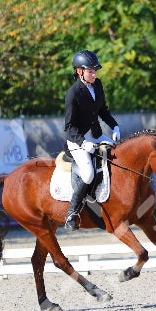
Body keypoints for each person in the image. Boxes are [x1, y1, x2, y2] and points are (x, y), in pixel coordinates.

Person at [63, 49, 121, 230]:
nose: (94, 74)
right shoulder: (73, 94)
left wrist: (114, 126)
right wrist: (82, 142)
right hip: (77, 140)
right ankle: (71, 213)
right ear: (79, 71)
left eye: (95, 71)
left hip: (96, 135)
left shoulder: (97, 85)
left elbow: (103, 110)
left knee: (118, 154)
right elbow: (69, 126)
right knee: (88, 173)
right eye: (90, 71)